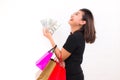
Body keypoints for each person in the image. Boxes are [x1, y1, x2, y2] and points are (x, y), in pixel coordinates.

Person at [43, 8, 96, 80]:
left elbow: (60, 56)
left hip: (72, 77)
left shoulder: (75, 37)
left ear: (83, 22)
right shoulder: (78, 36)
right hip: (74, 75)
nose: (72, 15)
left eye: (77, 14)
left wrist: (50, 38)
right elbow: (69, 58)